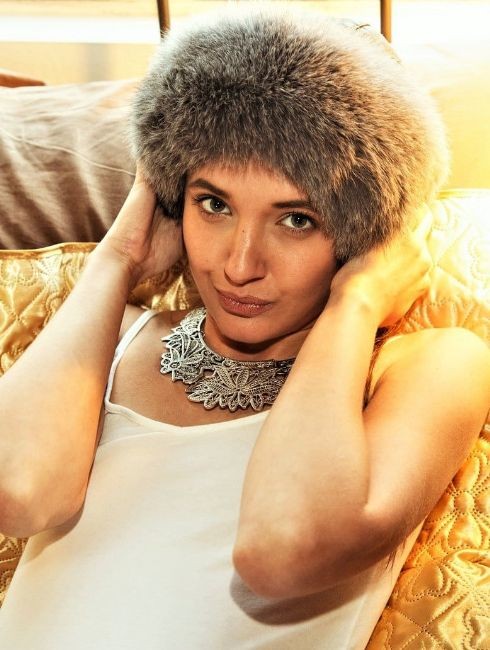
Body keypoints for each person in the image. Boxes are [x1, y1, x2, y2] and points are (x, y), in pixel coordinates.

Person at [0, 5, 489, 649]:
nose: (239, 265)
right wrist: (116, 260)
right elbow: (17, 493)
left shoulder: (430, 366)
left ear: (368, 234)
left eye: (297, 220)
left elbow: (282, 548)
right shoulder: (112, 337)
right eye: (214, 204)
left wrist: (356, 301)